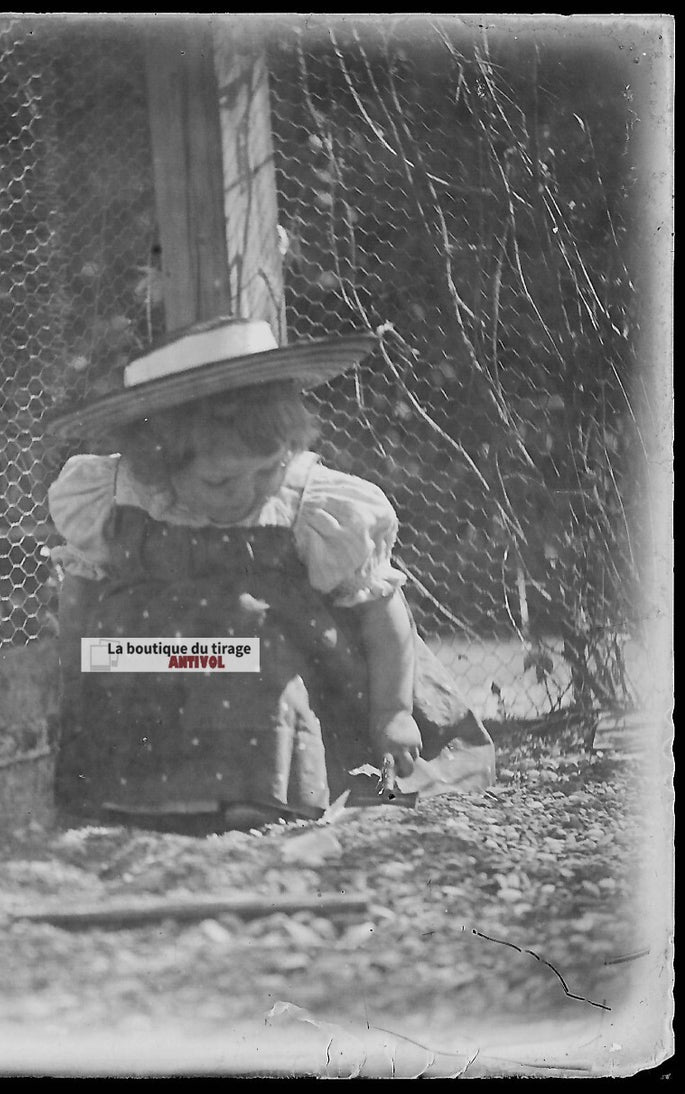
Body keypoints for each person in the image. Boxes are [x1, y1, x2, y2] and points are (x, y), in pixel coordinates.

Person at [44, 315, 496, 833]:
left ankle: (269, 792)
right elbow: (81, 591)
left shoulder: (310, 506)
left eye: (270, 469)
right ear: (159, 463)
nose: (251, 492)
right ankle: (152, 796)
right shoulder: (119, 495)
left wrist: (392, 711)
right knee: (144, 651)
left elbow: (381, 611)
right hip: (153, 662)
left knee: (245, 636)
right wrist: (74, 673)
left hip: (291, 668)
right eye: (220, 480)